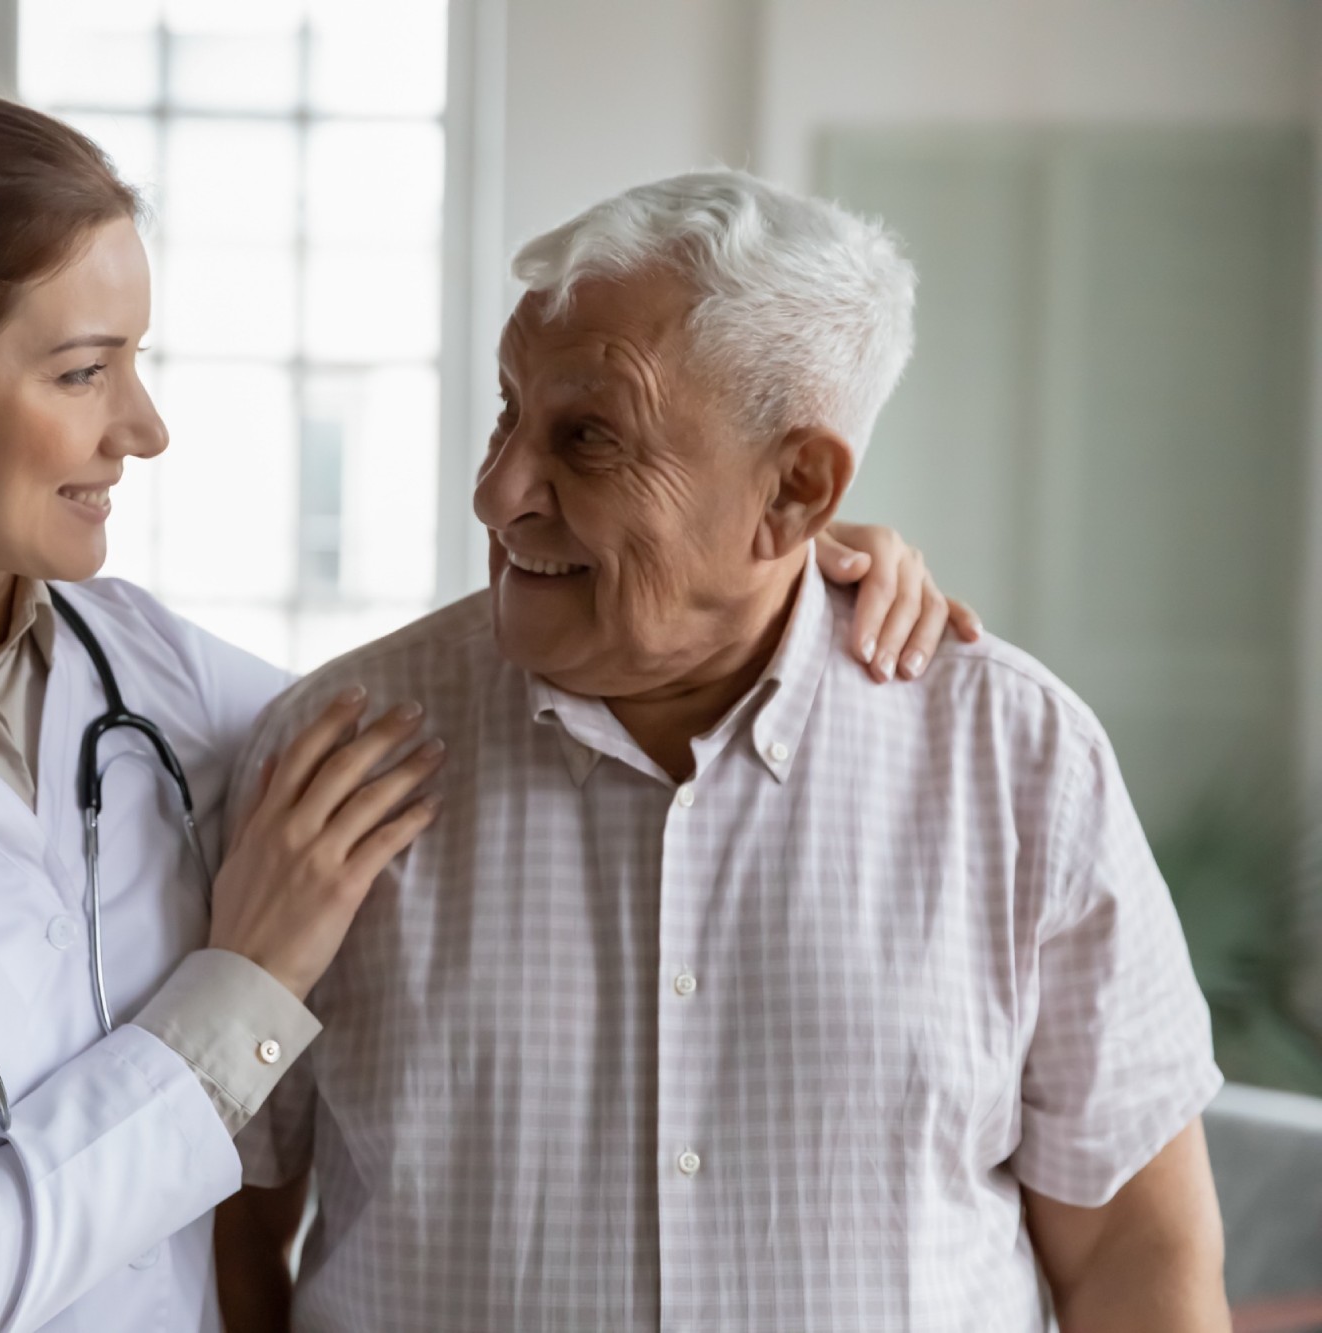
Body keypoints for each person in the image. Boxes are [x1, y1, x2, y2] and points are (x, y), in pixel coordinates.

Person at [0, 94, 968, 1332]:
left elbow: (508, 672)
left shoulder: (158, 678)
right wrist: (244, 987)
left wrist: (782, 563)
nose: (143, 426)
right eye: (83, 370)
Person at [218, 172, 1228, 1333]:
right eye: (506, 412)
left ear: (795, 491)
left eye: (585, 438)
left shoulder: (1015, 759)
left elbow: (1133, 1253)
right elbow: (220, 1223)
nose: (495, 493)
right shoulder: (331, 754)